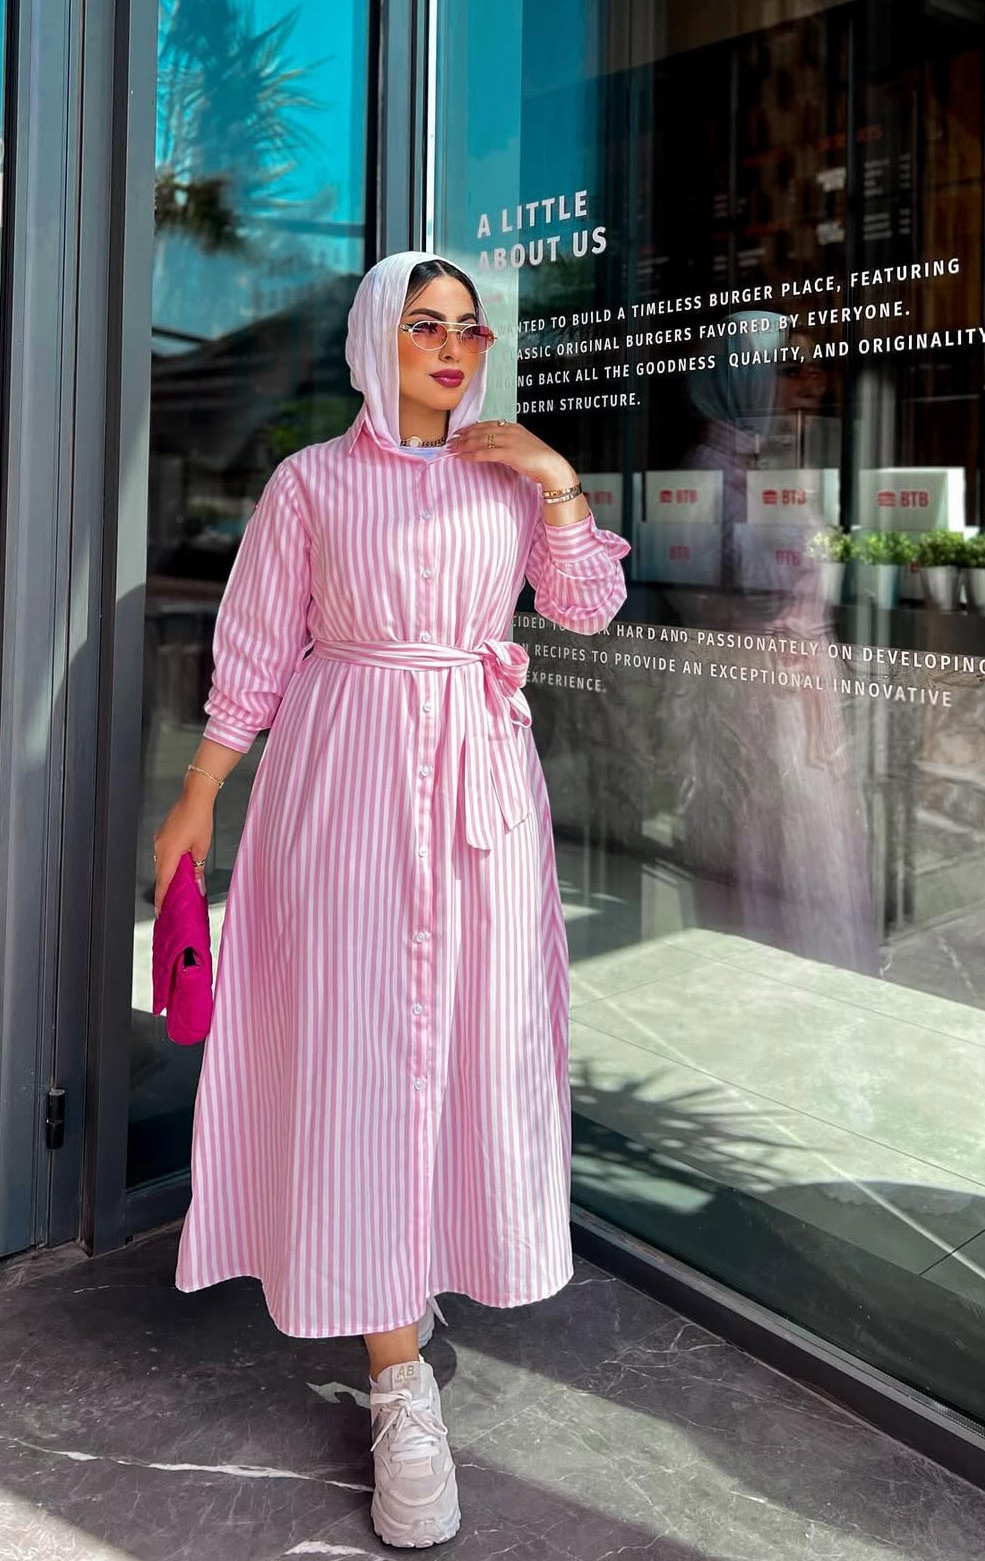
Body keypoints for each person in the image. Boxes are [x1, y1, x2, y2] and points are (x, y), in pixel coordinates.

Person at [152, 250, 630, 1548]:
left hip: (481, 788)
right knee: (365, 1048)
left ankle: (424, 1272)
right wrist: (197, 799)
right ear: (377, 336)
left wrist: (557, 483)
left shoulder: (503, 474)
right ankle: (394, 1373)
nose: (452, 346)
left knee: (470, 1036)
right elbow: (253, 654)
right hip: (346, 775)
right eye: (425, 324)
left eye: (469, 328)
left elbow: (584, 605)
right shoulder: (309, 483)